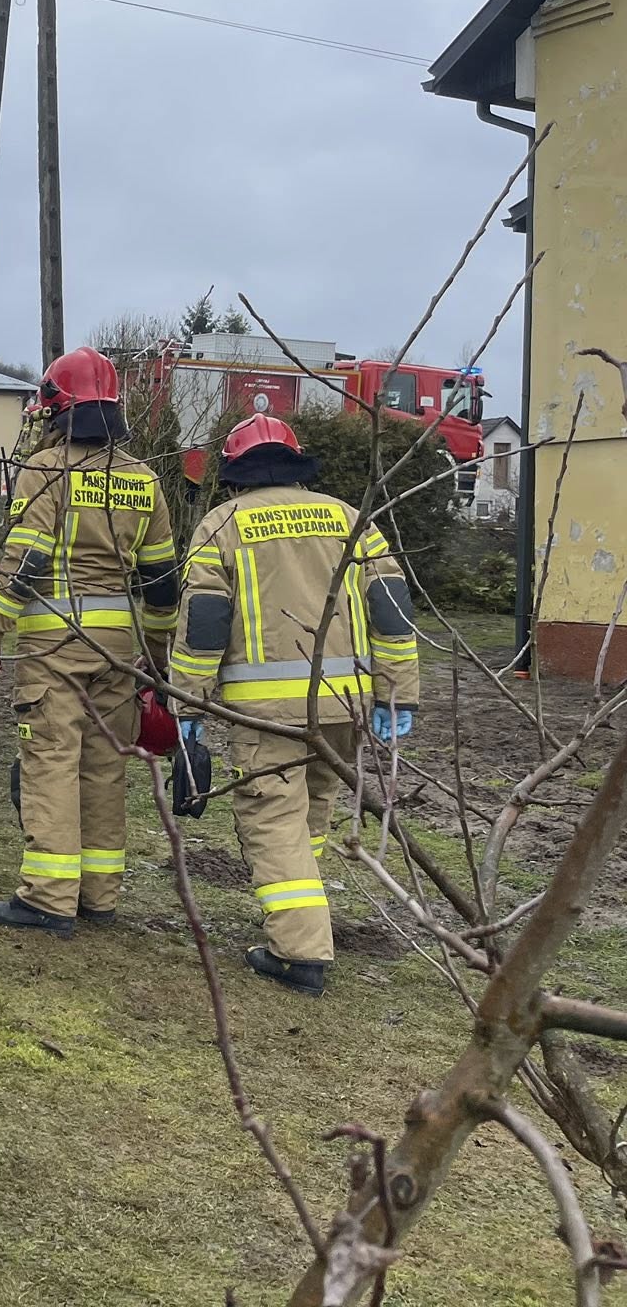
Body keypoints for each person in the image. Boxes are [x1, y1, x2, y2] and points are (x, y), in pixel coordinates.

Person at [168, 413, 420, 996]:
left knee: (274, 821)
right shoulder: (347, 519)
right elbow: (392, 610)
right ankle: (299, 917)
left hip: (266, 712)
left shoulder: (222, 524)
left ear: (235, 473)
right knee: (310, 815)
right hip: (346, 704)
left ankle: (299, 951)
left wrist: (189, 705)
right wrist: (397, 692)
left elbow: (205, 624)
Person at [0, 346, 180, 938]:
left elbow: (29, 558)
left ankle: (47, 898)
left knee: (51, 765)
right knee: (104, 768)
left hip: (55, 648)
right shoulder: (144, 481)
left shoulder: (47, 468)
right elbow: (162, 581)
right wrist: (158, 656)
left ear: (57, 408)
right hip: (122, 650)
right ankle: (98, 895)